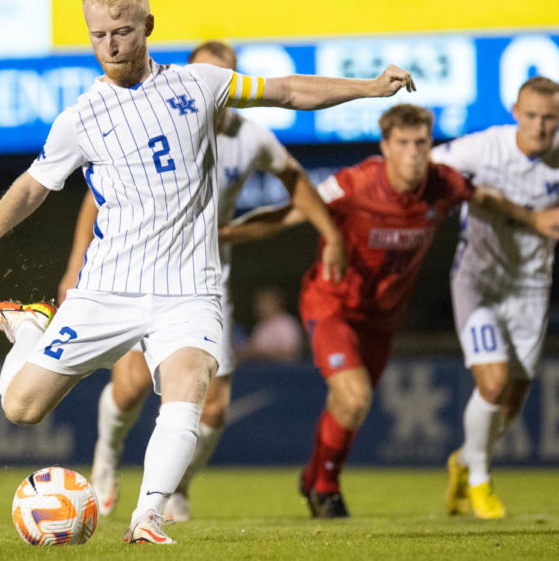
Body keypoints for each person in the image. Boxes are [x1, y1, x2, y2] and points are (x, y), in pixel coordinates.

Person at [0, 0, 416, 543]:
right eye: (98, 36)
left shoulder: (199, 84)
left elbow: (289, 91)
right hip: (109, 289)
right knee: (21, 408)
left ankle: (148, 515)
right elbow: (32, 187)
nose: (111, 46)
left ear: (147, 27)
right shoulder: (81, 118)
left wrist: (370, 88)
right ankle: (28, 328)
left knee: (189, 385)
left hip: (188, 289)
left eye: (121, 32)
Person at [219, 103, 559, 519]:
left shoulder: (443, 183)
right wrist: (225, 234)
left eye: (421, 143)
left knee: (351, 405)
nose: (414, 152)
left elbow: (483, 195)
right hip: (333, 306)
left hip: (382, 319)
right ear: (385, 146)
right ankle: (324, 488)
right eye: (403, 143)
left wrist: (531, 217)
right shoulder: (355, 183)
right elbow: (291, 212)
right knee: (354, 394)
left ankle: (314, 475)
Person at [55, 40, 342, 522]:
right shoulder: (150, 116)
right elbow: (94, 199)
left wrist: (330, 233)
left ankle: (175, 488)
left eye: (223, 76)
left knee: (213, 410)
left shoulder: (249, 137)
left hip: (203, 282)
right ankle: (106, 456)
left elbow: (294, 178)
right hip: (136, 272)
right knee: (129, 390)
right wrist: (72, 267)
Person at [433, 76, 559, 519]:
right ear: (514, 111)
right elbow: (429, 169)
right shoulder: (484, 148)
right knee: (492, 381)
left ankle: (464, 461)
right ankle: (482, 483)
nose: (541, 127)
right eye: (532, 116)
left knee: (509, 406)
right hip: (477, 281)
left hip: (530, 288)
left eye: (550, 118)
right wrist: (478, 197)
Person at [235, 286, 303, 363]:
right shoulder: (260, 326)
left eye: (264, 303)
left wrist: (260, 352)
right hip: (262, 370)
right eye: (259, 303)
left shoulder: (286, 323)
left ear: (276, 303)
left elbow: (290, 350)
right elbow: (252, 348)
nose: (260, 307)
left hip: (285, 371)